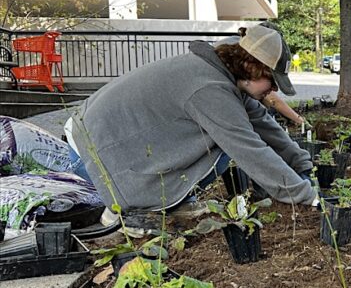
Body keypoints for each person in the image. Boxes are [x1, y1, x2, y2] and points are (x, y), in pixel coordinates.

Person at [66, 24, 317, 223]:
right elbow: (250, 150)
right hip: (93, 152)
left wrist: (302, 165)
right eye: (272, 82)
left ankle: (167, 203)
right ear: (252, 67)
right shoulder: (209, 89)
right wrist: (307, 196)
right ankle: (127, 216)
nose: (274, 90)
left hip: (101, 134)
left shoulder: (225, 75)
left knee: (224, 144)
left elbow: (262, 122)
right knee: (222, 146)